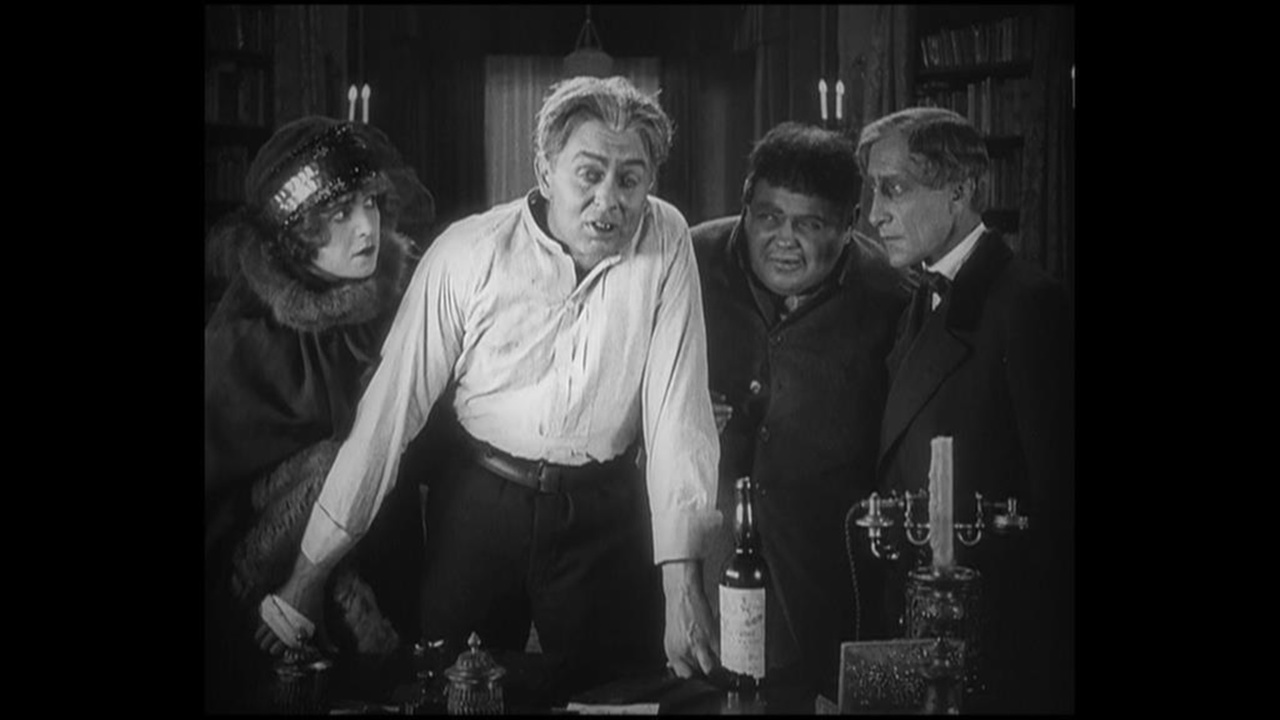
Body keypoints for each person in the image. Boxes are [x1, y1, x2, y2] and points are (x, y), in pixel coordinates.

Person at [256, 76, 723, 701]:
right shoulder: (468, 252)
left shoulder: (666, 239)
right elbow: (387, 418)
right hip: (482, 505)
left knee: (619, 697)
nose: (608, 201)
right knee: (453, 691)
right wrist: (308, 574)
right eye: (589, 174)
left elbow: (678, 415)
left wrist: (683, 584)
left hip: (605, 513)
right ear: (545, 170)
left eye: (630, 180)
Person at [204, 116, 435, 711]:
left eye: (371, 204)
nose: (366, 227)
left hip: (392, 563)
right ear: (296, 234)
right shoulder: (243, 345)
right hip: (263, 609)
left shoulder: (405, 305)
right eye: (339, 214)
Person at [858, 107, 1074, 713]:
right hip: (921, 632)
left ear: (959, 192)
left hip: (996, 654)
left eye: (893, 189)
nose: (873, 214)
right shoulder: (920, 297)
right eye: (873, 190)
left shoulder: (1028, 304)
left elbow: (1058, 515)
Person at [692, 122, 908, 698]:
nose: (784, 239)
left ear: (849, 223)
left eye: (809, 224)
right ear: (745, 203)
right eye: (768, 217)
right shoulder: (687, 262)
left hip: (823, 586)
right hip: (699, 577)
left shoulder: (892, 296)